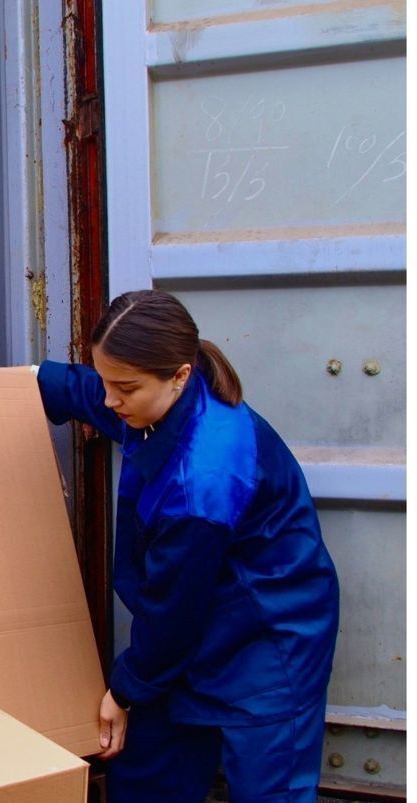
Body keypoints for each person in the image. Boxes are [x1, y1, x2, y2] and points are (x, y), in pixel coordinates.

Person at [33, 289, 338, 803]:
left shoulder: (205, 476)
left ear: (178, 375)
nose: (109, 400)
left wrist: (125, 690)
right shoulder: (155, 403)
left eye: (123, 388)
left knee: (270, 792)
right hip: (196, 625)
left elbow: (174, 607)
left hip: (268, 636)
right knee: (145, 777)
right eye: (107, 380)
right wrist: (21, 382)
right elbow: (88, 391)